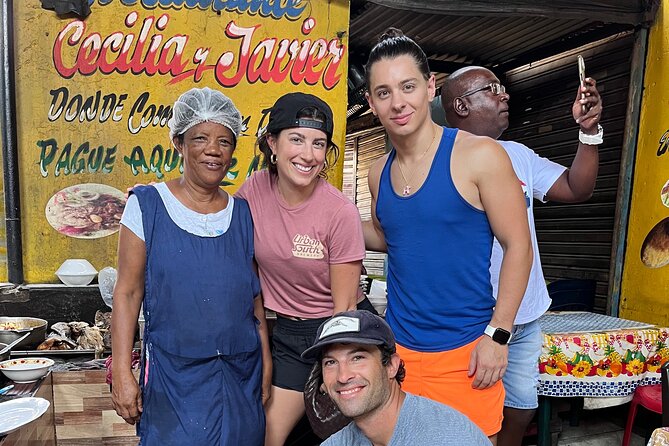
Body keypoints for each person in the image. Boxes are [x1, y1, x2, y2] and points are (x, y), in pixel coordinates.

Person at [361, 28, 533, 442]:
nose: (398, 102)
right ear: (370, 103)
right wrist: (319, 218)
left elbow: (518, 245)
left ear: (429, 87)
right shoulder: (376, 173)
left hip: (467, 353)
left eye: (407, 87)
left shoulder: (479, 155)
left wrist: (499, 334)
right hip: (398, 356)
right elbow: (393, 238)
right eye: (383, 92)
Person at [441, 66, 602, 446]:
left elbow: (576, 188)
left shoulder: (518, 155)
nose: (505, 95)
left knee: (521, 406)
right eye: (492, 89)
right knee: (470, 413)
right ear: (461, 104)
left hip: (526, 316)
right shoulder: (440, 159)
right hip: (475, 320)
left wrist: (589, 132)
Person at [111, 87, 270, 445]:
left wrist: (266, 362)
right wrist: (122, 370)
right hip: (174, 379)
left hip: (239, 374)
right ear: (179, 143)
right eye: (200, 138)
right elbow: (127, 291)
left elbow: (253, 298)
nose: (214, 150)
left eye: (225, 142)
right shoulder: (147, 206)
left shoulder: (242, 213)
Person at [235, 92, 367, 446]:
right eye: (296, 139)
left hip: (338, 331)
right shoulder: (253, 191)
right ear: (272, 144)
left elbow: (345, 310)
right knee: (268, 434)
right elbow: (211, 214)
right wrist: (157, 199)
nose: (308, 155)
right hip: (291, 337)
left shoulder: (339, 212)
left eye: (318, 144)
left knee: (347, 436)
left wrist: (341, 369)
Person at [301, 309, 492, 445]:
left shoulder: (445, 438)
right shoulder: (345, 439)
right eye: (331, 362)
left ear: (392, 365)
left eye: (357, 358)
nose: (343, 376)